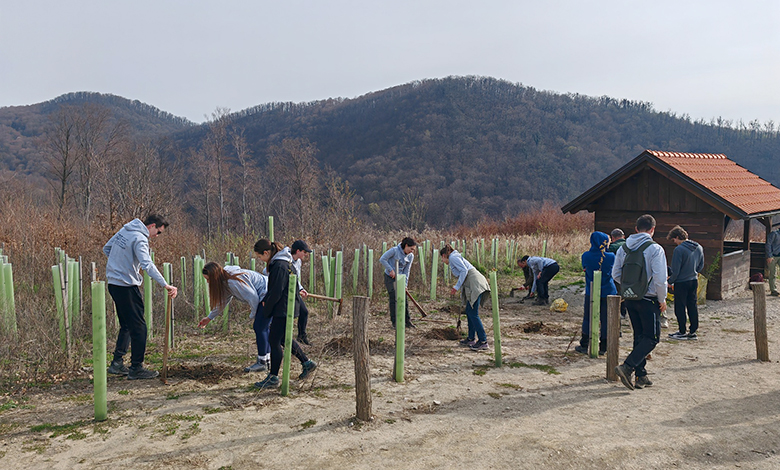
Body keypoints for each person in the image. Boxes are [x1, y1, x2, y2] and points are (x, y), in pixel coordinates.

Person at [103, 215, 178, 380]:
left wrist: (119, 265)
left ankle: (117, 363)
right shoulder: (140, 238)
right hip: (127, 286)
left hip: (113, 284)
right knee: (139, 328)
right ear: (151, 226)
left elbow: (107, 248)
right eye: (158, 232)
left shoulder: (125, 230)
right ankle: (136, 367)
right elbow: (147, 265)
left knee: (126, 325)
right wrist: (165, 284)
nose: (156, 236)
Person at [612, 214, 668, 391]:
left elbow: (615, 274)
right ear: (653, 229)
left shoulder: (623, 248)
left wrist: (630, 287)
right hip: (649, 299)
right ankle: (627, 367)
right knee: (652, 338)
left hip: (630, 298)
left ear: (636, 229)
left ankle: (641, 375)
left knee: (639, 336)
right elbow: (660, 279)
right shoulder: (655, 249)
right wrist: (662, 299)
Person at [254, 239, 317, 390]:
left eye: (259, 256)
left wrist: (267, 308)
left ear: (266, 253)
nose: (260, 259)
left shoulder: (279, 265)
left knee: (274, 340)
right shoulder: (283, 262)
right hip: (286, 306)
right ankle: (307, 363)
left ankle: (273, 377)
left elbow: (276, 291)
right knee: (283, 338)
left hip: (283, 309)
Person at [197, 262, 270, 372]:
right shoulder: (225, 280)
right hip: (266, 295)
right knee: (263, 328)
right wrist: (209, 318)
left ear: (215, 277)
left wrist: (254, 314)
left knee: (260, 328)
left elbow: (253, 297)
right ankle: (266, 360)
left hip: (267, 295)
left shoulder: (233, 282)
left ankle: (262, 363)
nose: (208, 282)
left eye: (208, 279)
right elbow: (222, 302)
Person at [441, 245, 491, 351]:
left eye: (442, 258)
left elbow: (464, 271)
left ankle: (483, 341)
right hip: (473, 283)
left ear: (444, 255)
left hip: (475, 284)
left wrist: (456, 287)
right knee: (469, 311)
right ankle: (471, 338)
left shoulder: (452, 257)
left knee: (473, 313)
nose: (442, 261)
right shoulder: (454, 257)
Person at [575, 232, 617, 355]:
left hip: (591, 290)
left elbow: (584, 268)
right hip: (608, 290)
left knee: (588, 318)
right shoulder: (611, 256)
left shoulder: (586, 256)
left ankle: (584, 344)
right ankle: (604, 346)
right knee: (606, 319)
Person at [666, 226, 704, 340]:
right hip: (693, 280)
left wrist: (670, 281)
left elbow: (676, 270)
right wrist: (694, 272)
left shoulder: (679, 250)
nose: (675, 242)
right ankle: (693, 331)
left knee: (680, 307)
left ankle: (682, 330)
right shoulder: (698, 247)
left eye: (674, 240)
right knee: (692, 305)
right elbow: (700, 266)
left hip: (681, 282)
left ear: (678, 237)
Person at [379, 237, 417, 328]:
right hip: (390, 277)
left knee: (404, 298)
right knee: (393, 297)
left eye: (413, 250)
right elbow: (382, 259)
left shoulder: (410, 256)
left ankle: (407, 321)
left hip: (401, 278)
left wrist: (405, 284)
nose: (412, 251)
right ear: (406, 246)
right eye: (411, 249)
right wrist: (390, 270)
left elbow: (407, 271)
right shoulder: (394, 250)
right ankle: (394, 322)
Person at [290, 240, 313, 345]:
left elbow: (296, 279)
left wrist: (300, 289)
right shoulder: (286, 260)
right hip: (284, 293)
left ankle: (301, 336)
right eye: (304, 252)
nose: (306, 254)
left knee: (304, 312)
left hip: (294, 291)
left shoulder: (298, 262)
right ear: (298, 251)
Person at [608, 228, 628, 318]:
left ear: (612, 237)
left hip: (617, 273)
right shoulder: (630, 245)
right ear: (623, 236)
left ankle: (619, 313)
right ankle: (625, 312)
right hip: (630, 273)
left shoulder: (612, 247)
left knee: (618, 293)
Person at [765, 222, 780, 296]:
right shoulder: (774, 234)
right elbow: (768, 244)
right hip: (773, 256)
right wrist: (769, 256)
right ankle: (773, 290)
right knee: (772, 273)